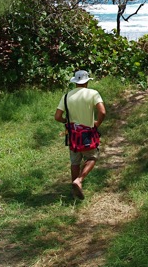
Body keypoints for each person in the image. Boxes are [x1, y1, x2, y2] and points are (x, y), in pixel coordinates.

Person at [55, 70, 106, 199]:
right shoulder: (93, 93)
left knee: (75, 162)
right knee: (92, 157)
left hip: (73, 134)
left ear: (75, 82)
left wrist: (65, 121)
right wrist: (97, 123)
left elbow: (57, 116)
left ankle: (74, 192)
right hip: (87, 133)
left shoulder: (66, 96)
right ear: (87, 81)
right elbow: (102, 112)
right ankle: (79, 180)